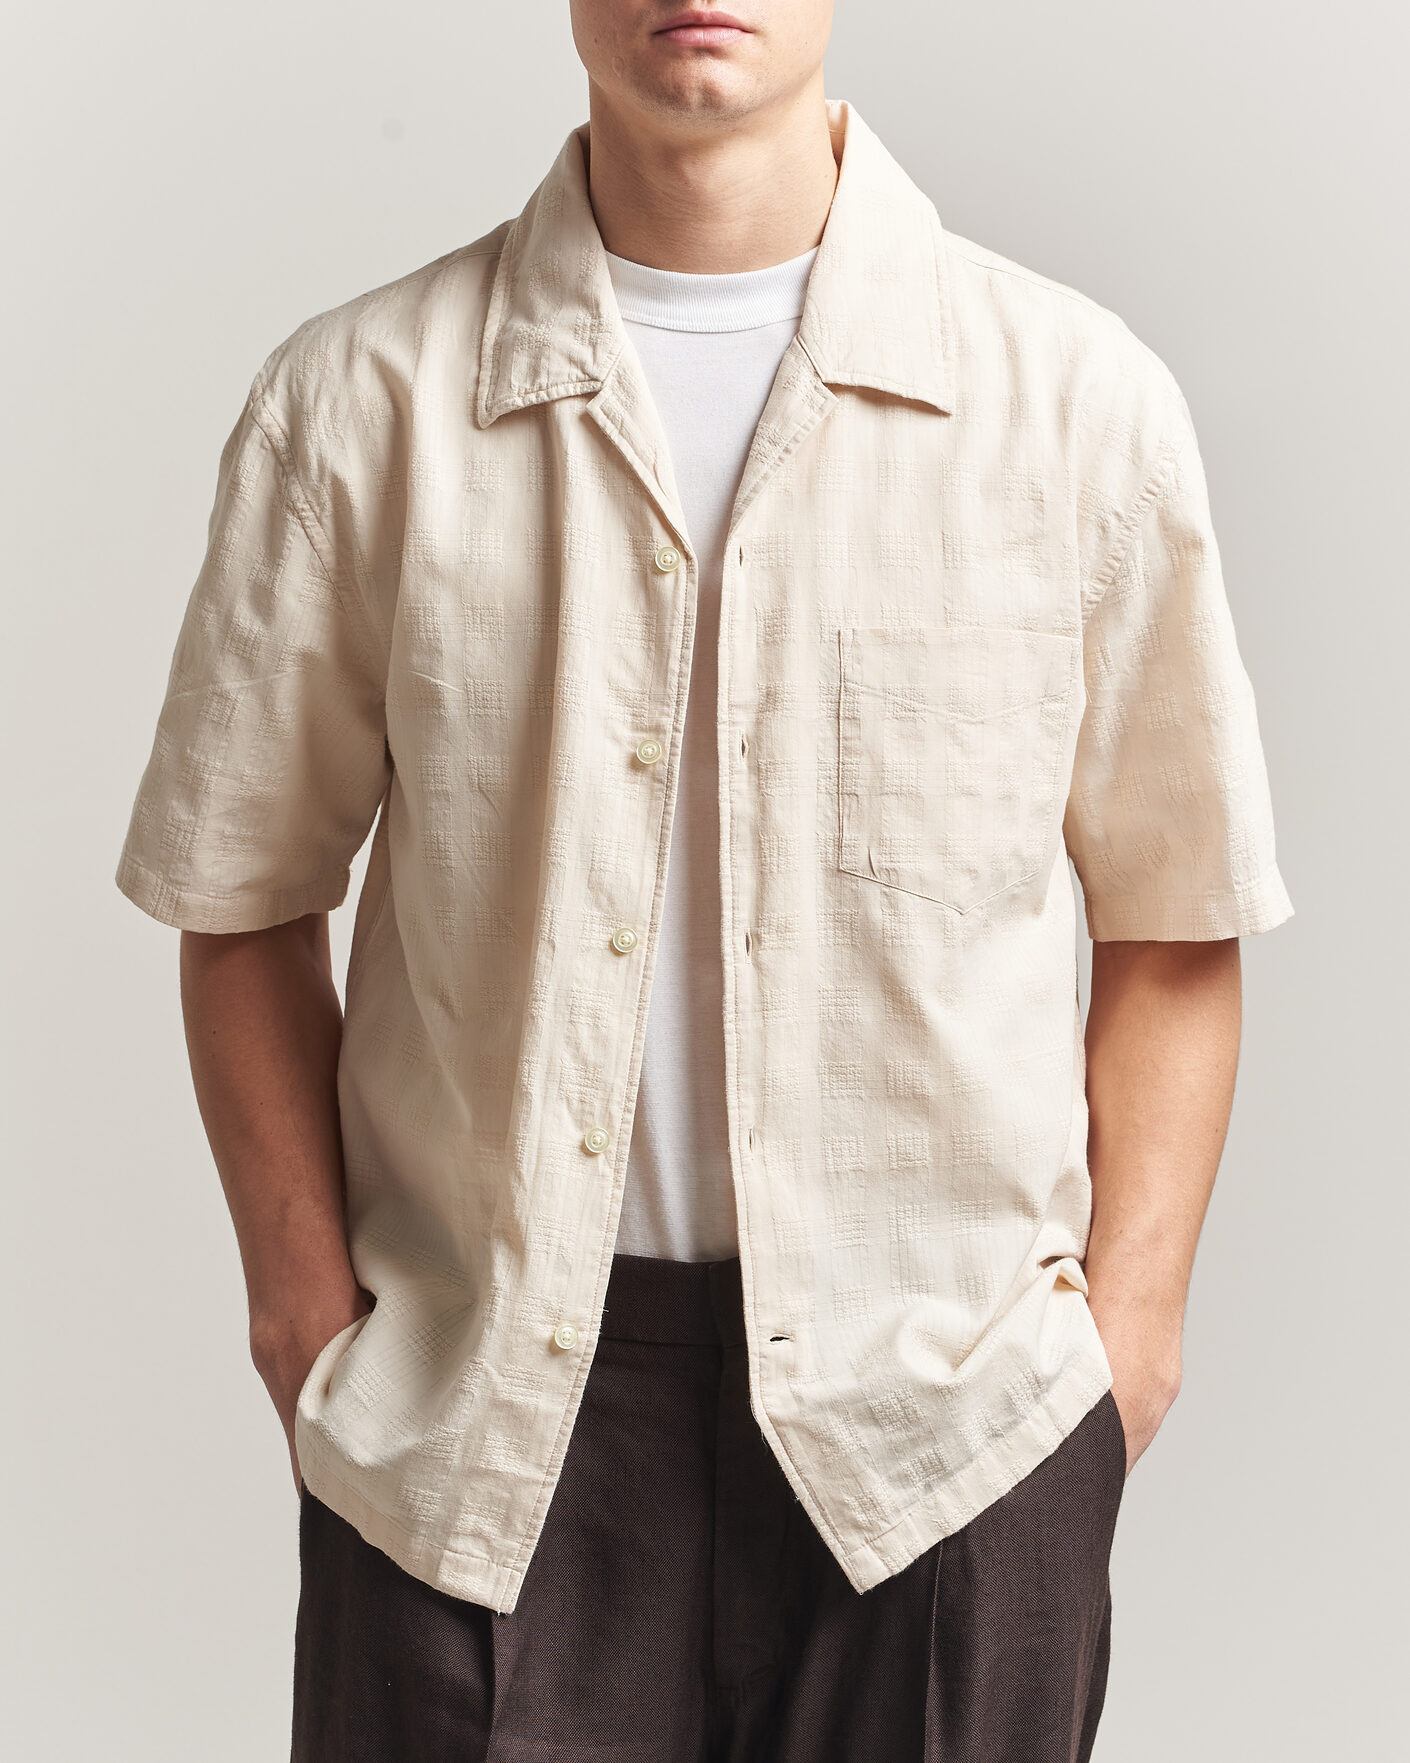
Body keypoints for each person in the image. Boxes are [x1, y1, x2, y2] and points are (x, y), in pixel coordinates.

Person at [114, 3, 1293, 1758]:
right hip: (482, 1431)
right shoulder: (359, 405)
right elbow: (242, 894)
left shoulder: (1073, 405)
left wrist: (1122, 1351)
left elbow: (1173, 917)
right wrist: (305, 1322)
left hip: (949, 1431)